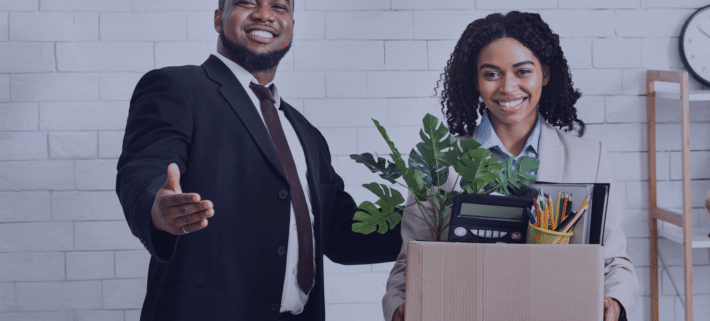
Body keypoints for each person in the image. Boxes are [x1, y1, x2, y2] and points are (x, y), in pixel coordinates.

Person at [115, 0, 402, 320]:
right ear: (217, 18)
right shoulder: (177, 87)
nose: (265, 14)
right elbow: (145, 167)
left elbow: (343, 235)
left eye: (279, 6)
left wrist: (432, 222)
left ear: (292, 23)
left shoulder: (305, 133)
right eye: (246, 2)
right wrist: (157, 205)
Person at [382, 11, 638, 321]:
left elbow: (614, 262)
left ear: (544, 74)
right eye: (491, 74)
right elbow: (409, 263)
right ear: (475, 81)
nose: (508, 87)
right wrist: (399, 307)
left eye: (522, 71)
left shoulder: (590, 158)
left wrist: (614, 303)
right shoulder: (439, 165)